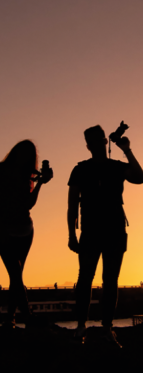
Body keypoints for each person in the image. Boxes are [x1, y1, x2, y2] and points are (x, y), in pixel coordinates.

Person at [67, 125, 143, 346]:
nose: (97, 145)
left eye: (99, 140)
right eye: (92, 142)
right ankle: (82, 325)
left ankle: (107, 327)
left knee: (110, 281)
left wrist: (127, 150)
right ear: (89, 146)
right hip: (91, 231)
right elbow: (72, 204)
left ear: (103, 142)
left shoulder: (117, 167)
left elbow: (139, 177)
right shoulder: (80, 170)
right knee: (85, 280)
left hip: (114, 230)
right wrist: (71, 235)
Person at [0, 140, 53, 329]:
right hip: (8, 230)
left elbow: (28, 204)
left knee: (16, 276)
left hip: (22, 229)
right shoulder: (6, 172)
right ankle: (25, 317)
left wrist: (40, 183)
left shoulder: (26, 176)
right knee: (16, 275)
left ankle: (10, 319)